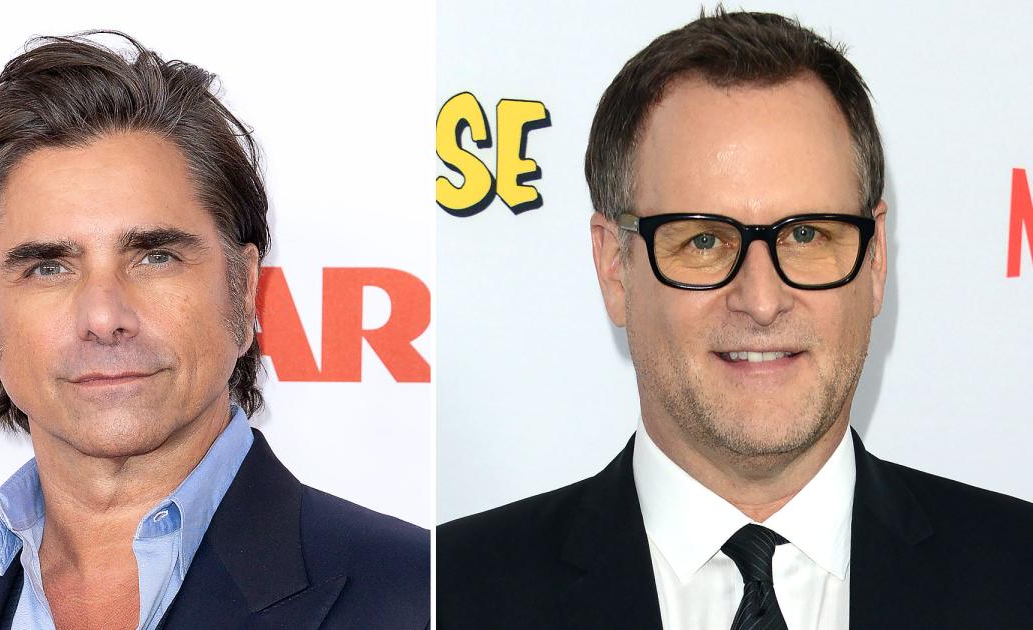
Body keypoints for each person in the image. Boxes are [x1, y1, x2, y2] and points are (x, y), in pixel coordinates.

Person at [438, 9, 1033, 629]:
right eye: (703, 241)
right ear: (615, 267)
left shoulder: (1019, 576)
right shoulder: (452, 593)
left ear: (876, 258)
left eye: (806, 234)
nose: (762, 299)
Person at [0, 33, 428, 630]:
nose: (104, 317)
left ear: (244, 288)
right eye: (48, 267)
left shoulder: (423, 595)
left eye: (155, 257)